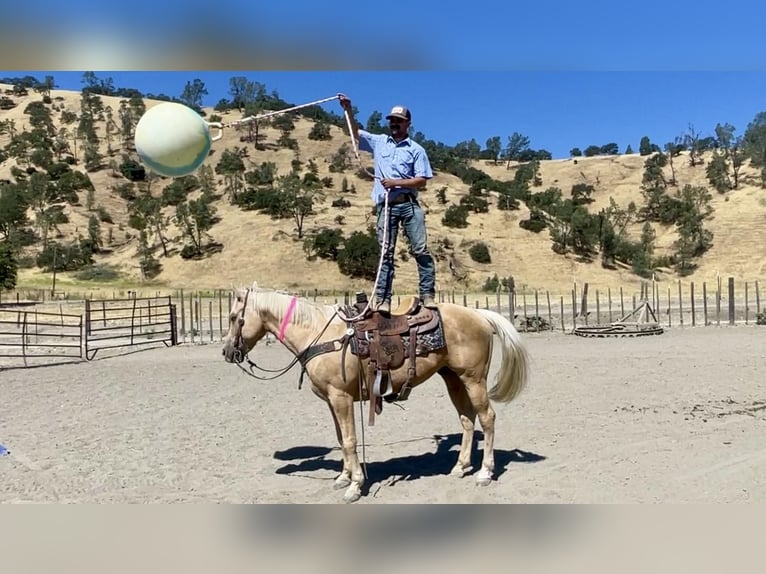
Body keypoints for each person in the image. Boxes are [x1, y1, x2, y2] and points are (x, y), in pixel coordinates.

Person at [338, 94, 437, 314]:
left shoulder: (417, 150)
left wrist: (396, 182)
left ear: (407, 124)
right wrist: (348, 110)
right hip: (386, 206)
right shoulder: (379, 141)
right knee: (385, 253)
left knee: (420, 249)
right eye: (391, 120)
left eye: (398, 120)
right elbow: (354, 133)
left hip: (409, 204)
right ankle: (383, 300)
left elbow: (422, 180)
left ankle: (427, 294)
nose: (394, 123)